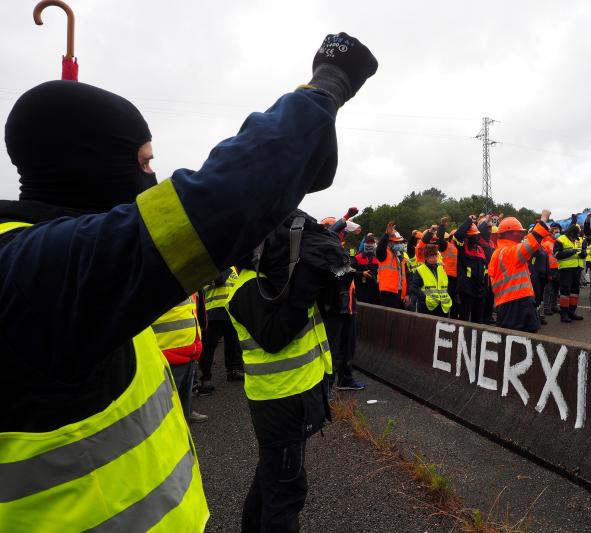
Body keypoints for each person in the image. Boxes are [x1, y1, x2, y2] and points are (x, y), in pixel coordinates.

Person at [0, 31, 377, 531]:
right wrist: (327, 85)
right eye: (145, 162)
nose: (153, 180)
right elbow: (223, 200)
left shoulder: (53, 265)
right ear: (91, 167)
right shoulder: (30, 274)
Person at [226, 211, 338, 533]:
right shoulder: (246, 285)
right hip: (280, 402)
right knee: (287, 492)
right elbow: (274, 337)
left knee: (271, 479)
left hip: (295, 394)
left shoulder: (276, 275)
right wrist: (303, 288)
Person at [322, 209, 365, 391]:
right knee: (332, 347)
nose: (342, 234)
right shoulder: (323, 248)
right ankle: (328, 385)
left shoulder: (341, 250)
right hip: (333, 308)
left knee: (348, 346)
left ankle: (345, 379)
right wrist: (346, 217)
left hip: (348, 307)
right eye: (341, 231)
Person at [487, 213, 551, 332]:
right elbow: (531, 242)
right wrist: (543, 220)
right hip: (517, 304)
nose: (522, 234)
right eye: (519, 231)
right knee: (522, 342)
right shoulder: (508, 252)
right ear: (509, 233)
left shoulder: (499, 252)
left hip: (507, 304)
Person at [152, 293, 208, 422]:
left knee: (185, 398)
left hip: (188, 350)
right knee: (168, 408)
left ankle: (187, 414)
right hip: (168, 352)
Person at [197, 268, 245, 395]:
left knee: (232, 343)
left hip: (230, 310)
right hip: (215, 310)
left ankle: (233, 370)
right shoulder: (211, 268)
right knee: (209, 347)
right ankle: (205, 379)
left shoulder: (233, 269)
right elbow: (219, 280)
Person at [449, 216, 488, 322]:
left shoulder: (480, 250)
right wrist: (469, 221)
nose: (474, 238)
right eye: (472, 236)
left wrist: (485, 289)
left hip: (480, 292)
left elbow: (485, 271)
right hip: (466, 292)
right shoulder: (462, 248)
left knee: (477, 322)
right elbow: (458, 235)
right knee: (464, 320)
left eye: (475, 235)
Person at [409, 240, 452, 317]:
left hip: (443, 307)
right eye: (432, 256)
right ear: (426, 257)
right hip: (427, 307)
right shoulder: (421, 270)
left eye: (435, 255)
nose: (434, 258)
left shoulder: (441, 268)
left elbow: (446, 285)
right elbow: (413, 287)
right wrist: (424, 297)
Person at [554, 222, 585, 322]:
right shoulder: (561, 239)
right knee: (565, 292)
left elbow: (583, 252)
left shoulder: (579, 239)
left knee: (575, 292)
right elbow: (556, 254)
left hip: (577, 268)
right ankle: (564, 314)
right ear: (569, 233)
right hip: (566, 270)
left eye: (576, 235)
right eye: (573, 235)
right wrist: (569, 253)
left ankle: (572, 312)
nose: (575, 237)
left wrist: (584, 254)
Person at [376, 222, 409, 309]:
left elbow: (405, 277)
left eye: (399, 242)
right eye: (396, 242)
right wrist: (386, 234)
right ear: (389, 242)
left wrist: (406, 294)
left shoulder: (399, 256)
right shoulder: (385, 253)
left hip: (399, 293)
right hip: (387, 293)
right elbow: (380, 248)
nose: (398, 244)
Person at [437, 221, 460, 317]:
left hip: (456, 279)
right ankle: (444, 319)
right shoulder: (446, 246)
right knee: (446, 301)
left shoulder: (460, 248)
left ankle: (453, 319)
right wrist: (442, 226)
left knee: (455, 302)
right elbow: (440, 238)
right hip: (446, 278)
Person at [352, 233, 380, 304]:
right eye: (368, 242)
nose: (370, 244)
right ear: (364, 244)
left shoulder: (378, 258)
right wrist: (362, 273)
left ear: (375, 244)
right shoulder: (357, 257)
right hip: (361, 294)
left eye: (372, 242)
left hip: (375, 294)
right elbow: (351, 271)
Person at [541, 223, 561, 316]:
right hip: (549, 269)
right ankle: (546, 308)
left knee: (556, 289)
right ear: (551, 233)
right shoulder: (546, 244)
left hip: (558, 268)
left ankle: (554, 306)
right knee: (548, 289)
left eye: (559, 232)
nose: (558, 234)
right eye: (556, 232)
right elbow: (544, 258)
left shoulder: (559, 242)